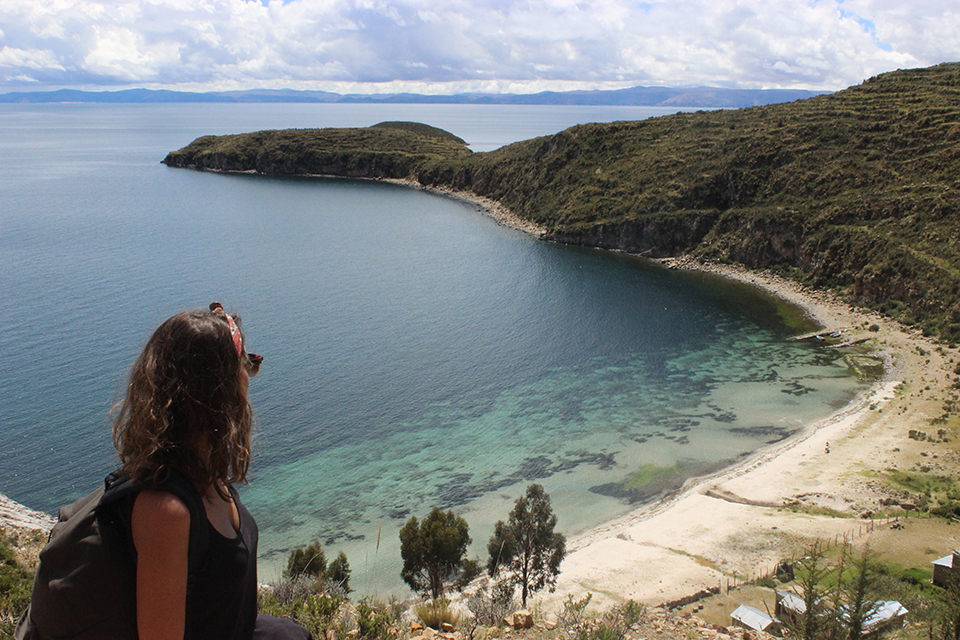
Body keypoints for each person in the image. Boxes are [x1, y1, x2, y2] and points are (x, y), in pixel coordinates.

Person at [110, 302, 307, 640]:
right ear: (218, 389)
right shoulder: (166, 511)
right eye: (244, 366)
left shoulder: (204, 476)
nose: (249, 379)